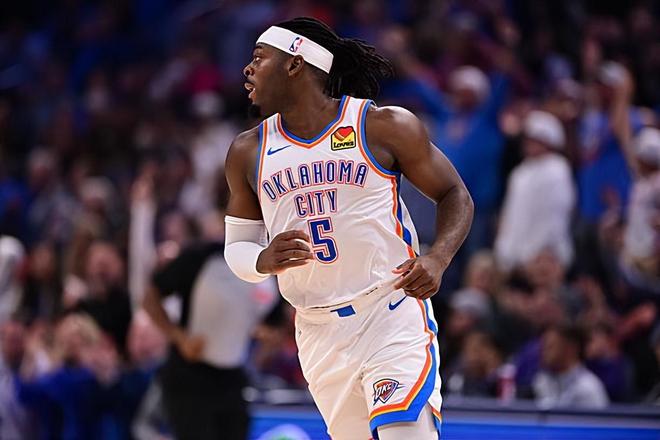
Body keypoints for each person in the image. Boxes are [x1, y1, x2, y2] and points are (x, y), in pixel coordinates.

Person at [224, 17, 473, 439]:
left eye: (259, 58)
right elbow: (237, 249)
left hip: (389, 310)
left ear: (295, 63)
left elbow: (455, 194)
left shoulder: (381, 125)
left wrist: (438, 257)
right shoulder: (248, 150)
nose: (248, 69)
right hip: (317, 330)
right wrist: (263, 259)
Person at [143, 239, 278, 440]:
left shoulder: (271, 270)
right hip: (189, 374)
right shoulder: (200, 257)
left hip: (234, 376)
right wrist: (178, 337)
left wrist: (258, 349)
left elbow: (275, 327)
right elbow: (150, 297)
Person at [533, 324, 609, 409]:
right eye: (544, 348)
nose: (543, 353)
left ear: (570, 349)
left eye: (550, 347)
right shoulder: (541, 381)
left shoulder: (588, 388)